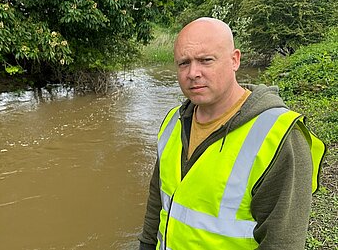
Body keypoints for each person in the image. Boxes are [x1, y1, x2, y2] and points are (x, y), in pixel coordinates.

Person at [138, 17, 326, 250]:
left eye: (206, 60)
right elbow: (158, 200)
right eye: (183, 63)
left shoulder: (279, 136)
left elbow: (282, 241)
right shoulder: (173, 122)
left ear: (234, 60)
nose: (192, 73)